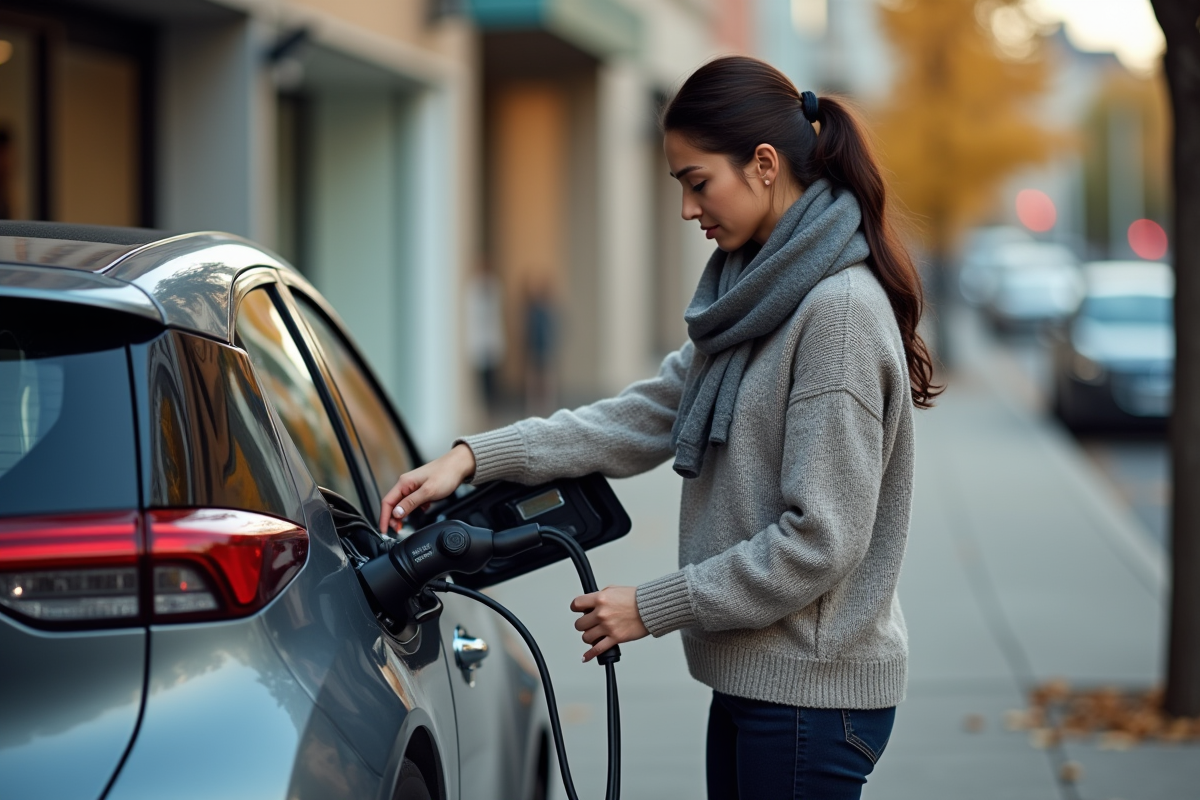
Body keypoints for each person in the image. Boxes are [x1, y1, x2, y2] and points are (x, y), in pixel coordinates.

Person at [380, 55, 939, 800]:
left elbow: (820, 541)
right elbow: (642, 414)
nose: (686, 209)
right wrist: (475, 456)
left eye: (695, 181)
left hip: (810, 695)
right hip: (765, 684)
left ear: (764, 165)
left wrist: (652, 606)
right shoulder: (758, 296)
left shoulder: (833, 314)